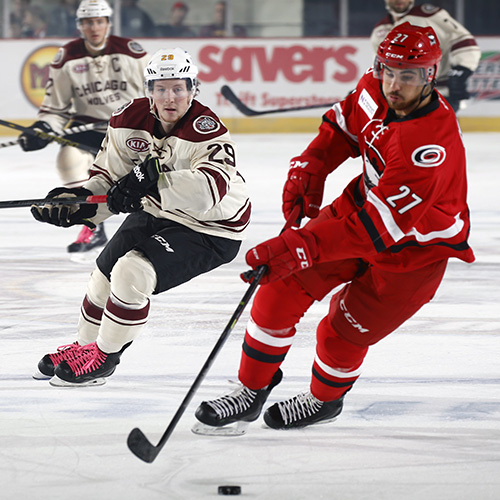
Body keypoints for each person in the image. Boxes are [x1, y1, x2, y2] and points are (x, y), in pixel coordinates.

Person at [193, 23, 475, 434]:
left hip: (413, 253)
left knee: (342, 332)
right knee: (277, 292)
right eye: (388, 70)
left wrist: (301, 245)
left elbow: (376, 229)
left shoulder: (430, 144)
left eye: (408, 75)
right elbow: (341, 127)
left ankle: (325, 401)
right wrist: (313, 164)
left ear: (430, 76)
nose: (394, 84)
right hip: (359, 210)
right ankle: (250, 390)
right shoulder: (374, 87)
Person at [30, 47, 251, 387]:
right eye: (160, 88)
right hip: (156, 210)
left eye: (179, 88)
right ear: (148, 91)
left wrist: (147, 184)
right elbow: (108, 180)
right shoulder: (127, 120)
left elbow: (209, 190)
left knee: (131, 272)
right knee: (103, 273)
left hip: (210, 227)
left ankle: (105, 356)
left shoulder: (207, 129)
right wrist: (78, 204)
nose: (170, 97)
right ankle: (85, 346)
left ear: (193, 89)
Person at [18, 0, 149, 254]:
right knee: (68, 159)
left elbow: (155, 90)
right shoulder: (66, 57)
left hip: (129, 128)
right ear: (80, 26)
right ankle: (90, 225)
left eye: (99, 21)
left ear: (108, 24)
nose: (94, 27)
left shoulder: (132, 53)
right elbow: (55, 109)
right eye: (88, 22)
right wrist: (42, 128)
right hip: (87, 128)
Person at [370, 1, 481, 113]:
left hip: (438, 93)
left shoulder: (430, 15)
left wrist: (462, 69)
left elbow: (464, 41)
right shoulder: (380, 29)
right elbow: (380, 67)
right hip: (400, 95)